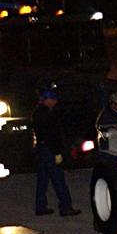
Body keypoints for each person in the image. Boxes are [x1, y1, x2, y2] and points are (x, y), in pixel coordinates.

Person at [30, 89, 78, 218]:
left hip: (43, 148)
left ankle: (40, 206)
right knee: (58, 179)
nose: (56, 102)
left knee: (43, 178)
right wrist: (57, 151)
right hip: (49, 150)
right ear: (48, 100)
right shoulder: (45, 114)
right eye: (54, 99)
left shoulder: (39, 112)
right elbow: (51, 135)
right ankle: (66, 206)